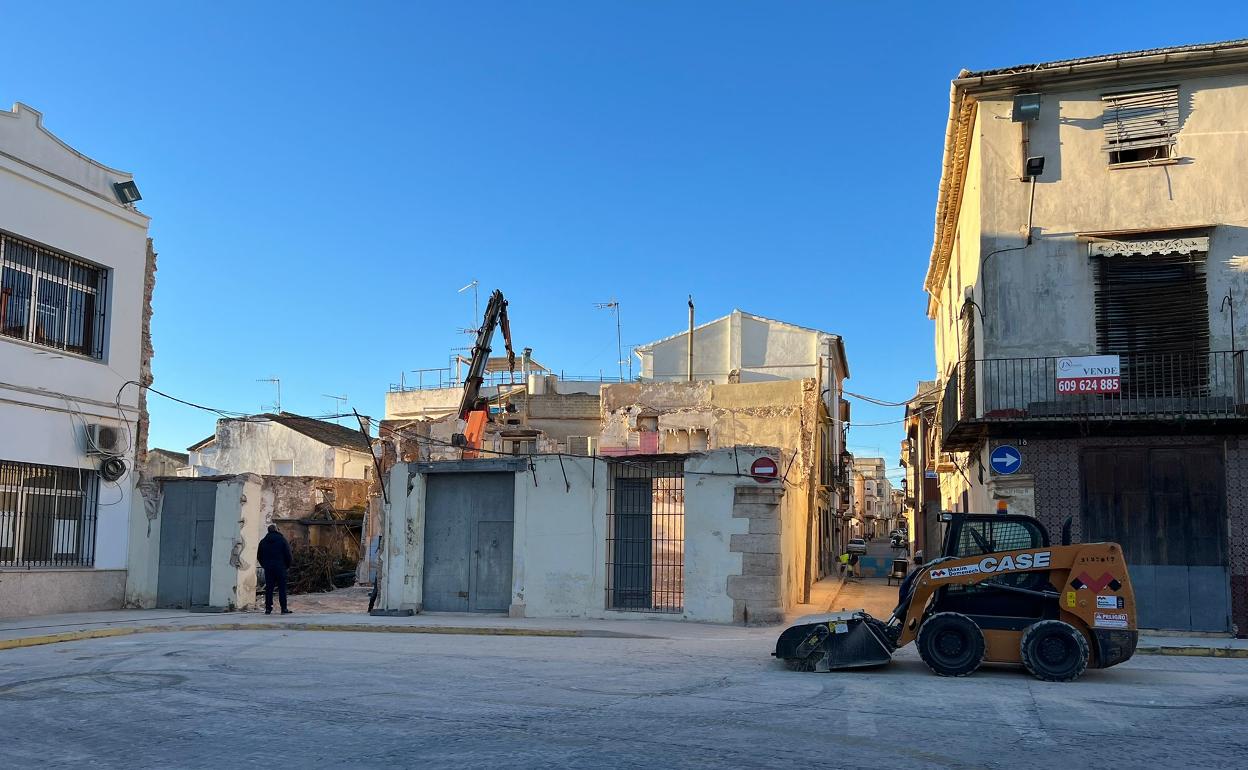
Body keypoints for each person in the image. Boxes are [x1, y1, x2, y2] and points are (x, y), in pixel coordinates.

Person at [256, 524, 293, 615]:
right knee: (282, 588)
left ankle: (268, 609)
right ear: (276, 530)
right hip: (280, 567)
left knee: (269, 588)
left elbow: (259, 556)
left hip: (269, 568)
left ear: (268, 531)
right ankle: (283, 608)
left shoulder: (263, 542)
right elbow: (288, 555)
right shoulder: (282, 540)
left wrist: (265, 565)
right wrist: (287, 566)